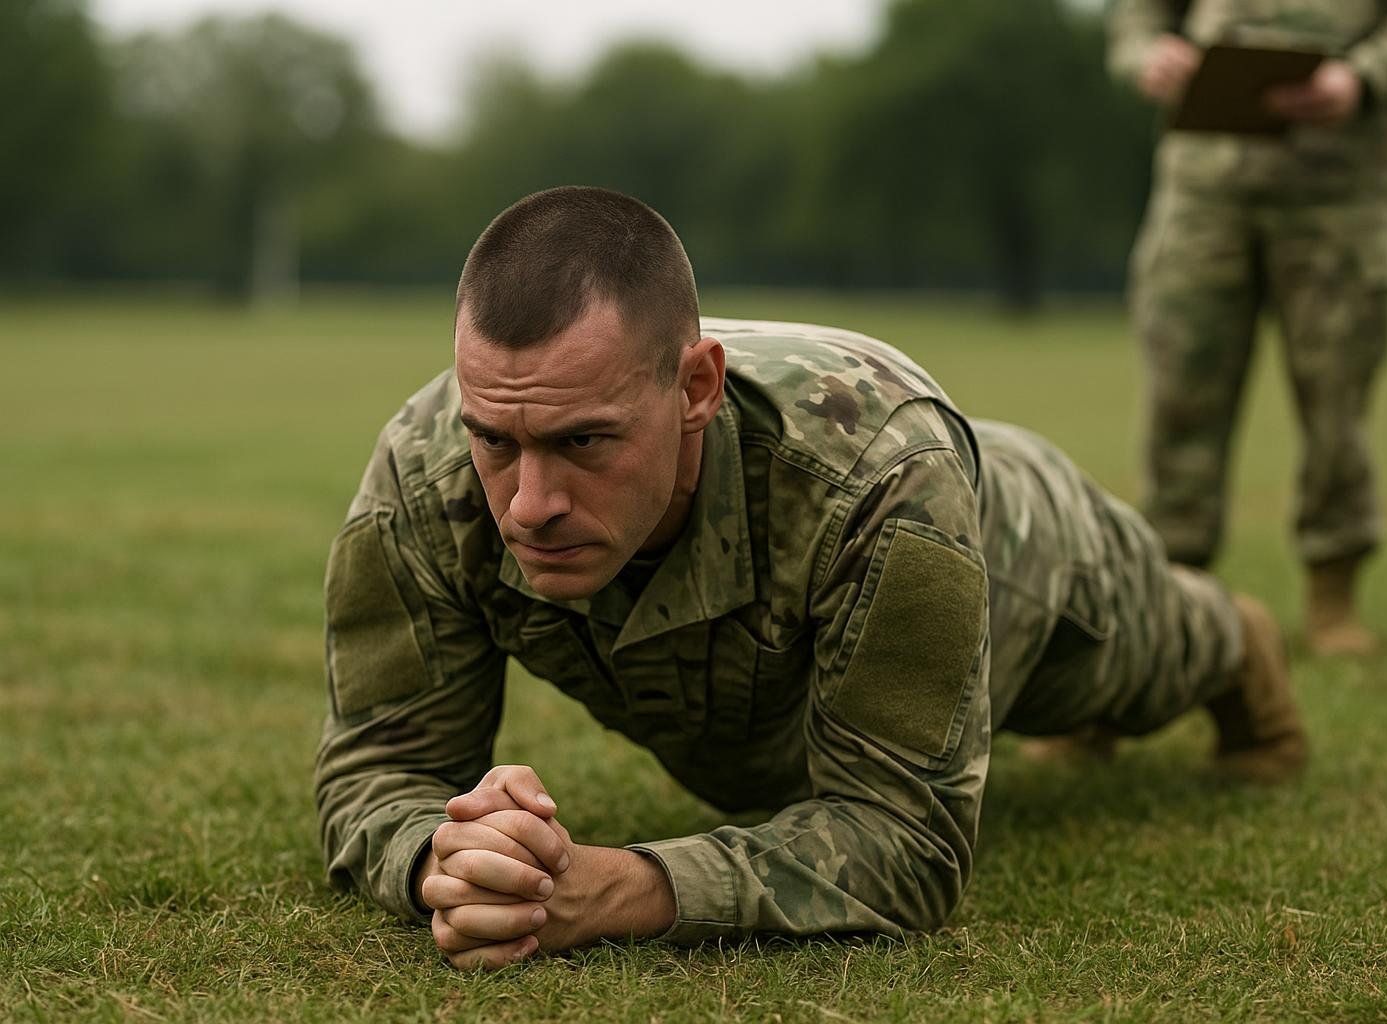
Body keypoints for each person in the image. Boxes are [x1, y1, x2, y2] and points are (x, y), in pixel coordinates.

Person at [315, 186, 1305, 971]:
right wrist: (442, 861)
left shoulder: (885, 477)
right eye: (498, 441)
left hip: (1024, 552)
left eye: (583, 442)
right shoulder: (427, 472)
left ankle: (1236, 637)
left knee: (1157, 656)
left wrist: (618, 886)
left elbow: (905, 846)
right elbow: (377, 769)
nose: (529, 502)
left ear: (695, 387)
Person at [1107, 0, 1387, 655]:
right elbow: (1139, 12)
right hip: (1204, 188)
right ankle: (1170, 595)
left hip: (1342, 189)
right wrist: (1146, 54)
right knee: (1179, 399)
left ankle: (1334, 597)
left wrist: (1363, 77)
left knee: (1339, 405)